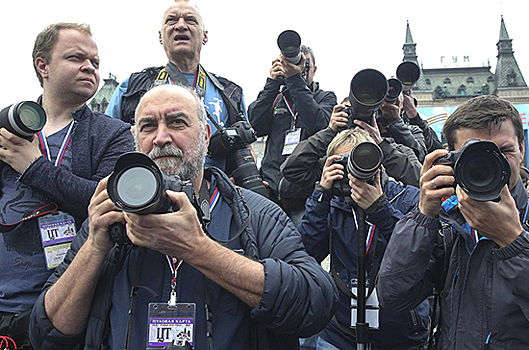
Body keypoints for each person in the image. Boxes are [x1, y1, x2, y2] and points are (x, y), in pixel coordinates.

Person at [29, 84, 338, 350]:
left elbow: (315, 304)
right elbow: (47, 332)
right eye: (148, 126)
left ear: (204, 135)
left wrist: (198, 249)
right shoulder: (108, 216)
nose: (161, 137)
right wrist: (95, 246)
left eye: (177, 123)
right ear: (136, 139)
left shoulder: (255, 212)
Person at [0, 23, 134, 349]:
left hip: (64, 311)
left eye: (95, 62)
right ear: (42, 65)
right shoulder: (9, 127)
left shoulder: (113, 134)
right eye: (76, 58)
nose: (90, 67)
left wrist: (34, 166)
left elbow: (108, 204)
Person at [377, 95, 529, 349]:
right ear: (452, 161)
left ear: (522, 149)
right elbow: (393, 296)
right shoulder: (447, 223)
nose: (495, 163)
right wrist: (422, 215)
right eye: (477, 154)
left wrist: (513, 241)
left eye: (504, 151)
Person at [287, 123, 429, 350]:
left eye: (360, 161)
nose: (353, 173)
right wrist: (321, 194)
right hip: (340, 331)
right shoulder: (330, 203)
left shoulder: (407, 199)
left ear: (378, 163)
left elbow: (416, 256)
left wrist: (380, 209)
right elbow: (308, 253)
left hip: (399, 333)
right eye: (344, 164)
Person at [105, 0, 248, 172]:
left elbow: (247, 150)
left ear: (205, 36)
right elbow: (106, 143)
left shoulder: (230, 93)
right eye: (171, 20)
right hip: (148, 190)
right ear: (160, 36)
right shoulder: (131, 88)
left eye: (190, 20)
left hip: (214, 193)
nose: (180, 25)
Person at [248, 45, 337, 226]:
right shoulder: (276, 99)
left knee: (303, 250)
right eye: (294, 63)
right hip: (271, 195)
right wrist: (272, 83)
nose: (299, 68)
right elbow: (255, 126)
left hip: (304, 198)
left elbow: (318, 126)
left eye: (305, 65)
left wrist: (295, 80)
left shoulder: (326, 98)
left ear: (315, 69)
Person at [281, 102, 422, 188]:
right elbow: (291, 169)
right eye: (349, 113)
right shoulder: (334, 159)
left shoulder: (396, 151)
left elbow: (418, 181)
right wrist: (330, 131)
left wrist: (380, 145)